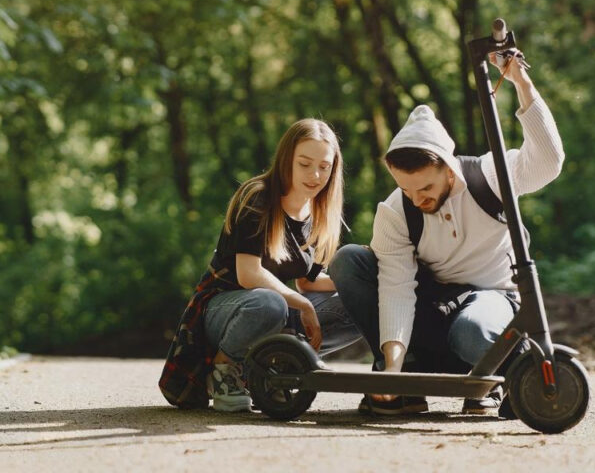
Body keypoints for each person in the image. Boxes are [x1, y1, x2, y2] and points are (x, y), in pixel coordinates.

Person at [329, 50, 564, 416]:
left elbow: (549, 162)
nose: (415, 198)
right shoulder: (396, 211)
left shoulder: (489, 176)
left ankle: (501, 379)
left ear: (449, 169)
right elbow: (395, 288)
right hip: (431, 309)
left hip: (491, 303)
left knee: (472, 330)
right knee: (350, 261)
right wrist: (392, 370)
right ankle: (406, 380)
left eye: (424, 188)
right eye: (406, 189)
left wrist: (521, 81)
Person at [159, 119, 362, 412]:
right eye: (304, 164)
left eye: (324, 166)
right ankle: (224, 370)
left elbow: (308, 283)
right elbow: (248, 274)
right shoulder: (258, 196)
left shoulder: (315, 212)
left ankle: (280, 365)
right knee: (271, 303)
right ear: (286, 160)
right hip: (224, 311)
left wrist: (364, 281)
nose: (315, 175)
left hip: (273, 312)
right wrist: (302, 306)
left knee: (357, 305)